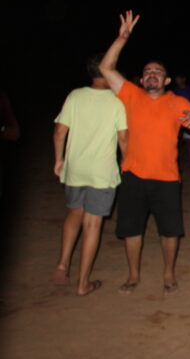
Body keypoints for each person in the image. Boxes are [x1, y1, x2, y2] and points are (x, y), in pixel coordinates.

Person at [99, 11, 190, 295]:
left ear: (167, 80)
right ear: (142, 78)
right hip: (133, 175)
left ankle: (168, 274)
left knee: (169, 231)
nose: (151, 75)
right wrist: (122, 39)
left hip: (167, 178)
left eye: (157, 72)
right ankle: (133, 276)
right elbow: (107, 68)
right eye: (147, 71)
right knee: (132, 230)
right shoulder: (131, 95)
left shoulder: (178, 103)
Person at [52, 55, 128, 296]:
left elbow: (59, 131)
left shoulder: (75, 96)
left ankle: (63, 265)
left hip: (75, 168)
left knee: (74, 213)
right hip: (101, 171)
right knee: (93, 223)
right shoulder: (117, 101)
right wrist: (127, 162)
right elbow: (123, 137)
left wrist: (59, 160)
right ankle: (83, 283)